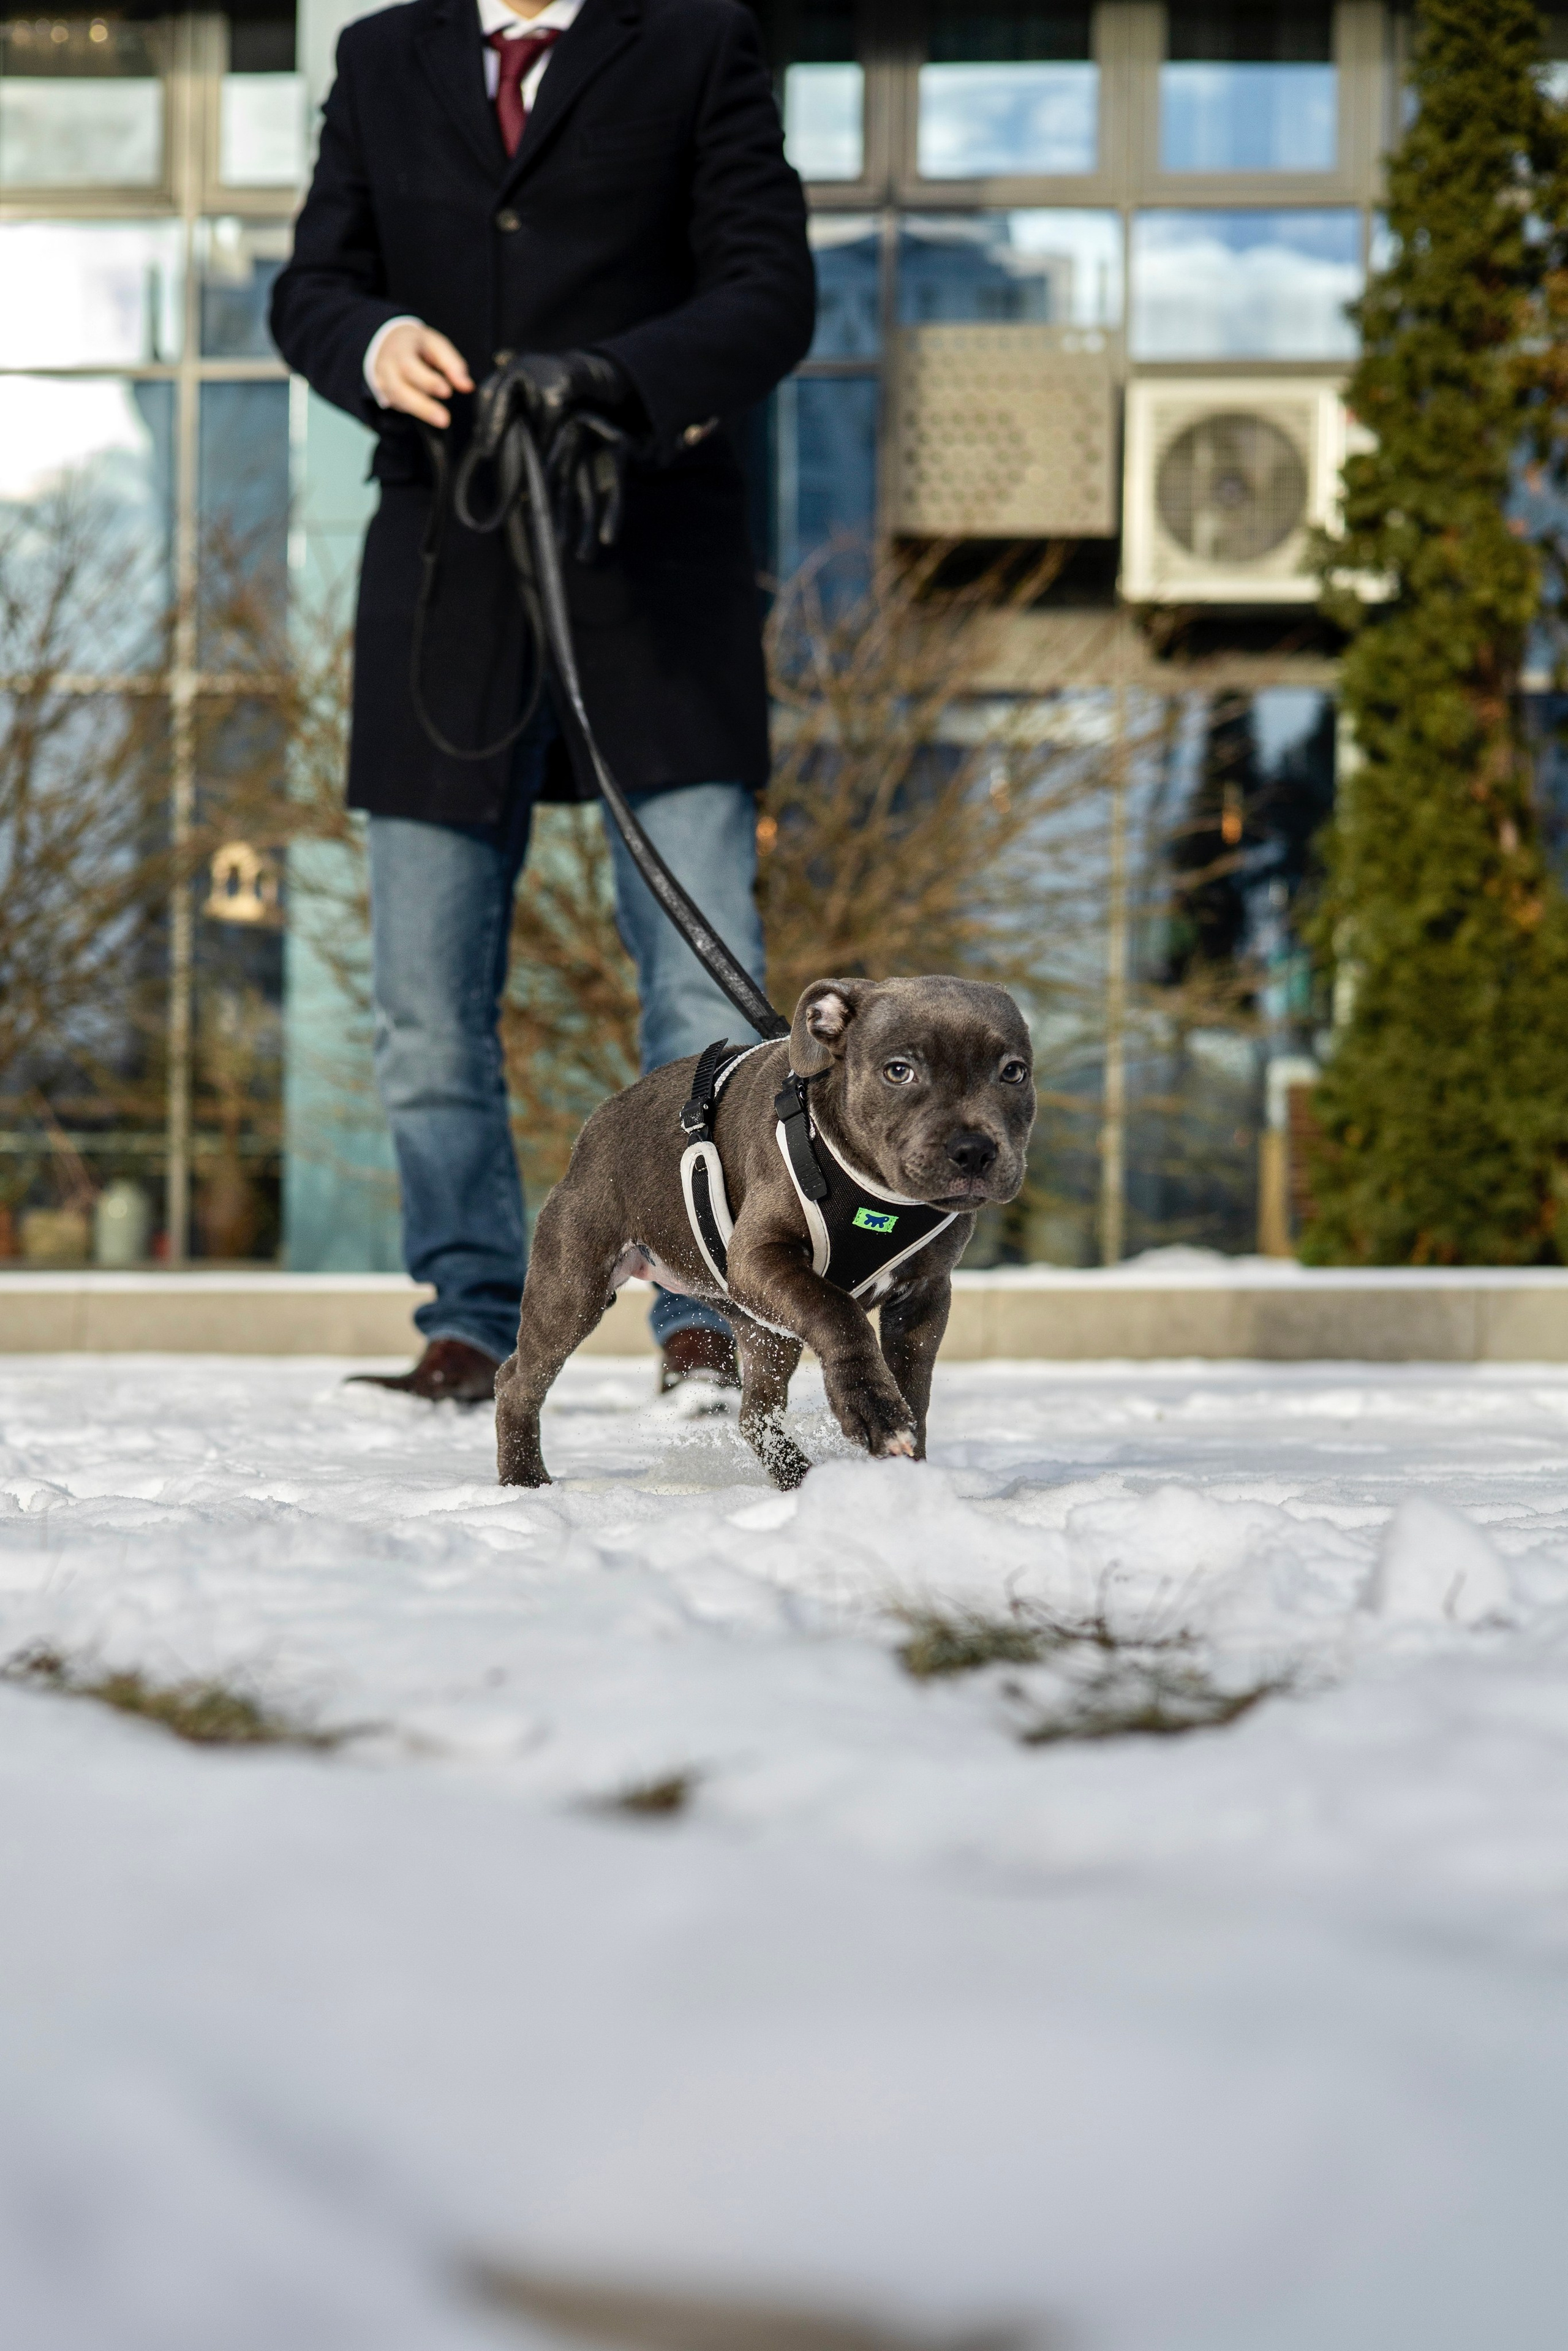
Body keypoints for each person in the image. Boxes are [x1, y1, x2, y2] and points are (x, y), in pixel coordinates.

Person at [270, 0, 815, 1402]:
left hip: (657, 577)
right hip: (443, 587)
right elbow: (311, 285)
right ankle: (468, 1318)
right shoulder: (380, 56)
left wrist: (617, 379)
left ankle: (705, 1312)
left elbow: (768, 289)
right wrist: (372, 338)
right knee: (423, 1006)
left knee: (697, 988)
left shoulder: (694, 42)